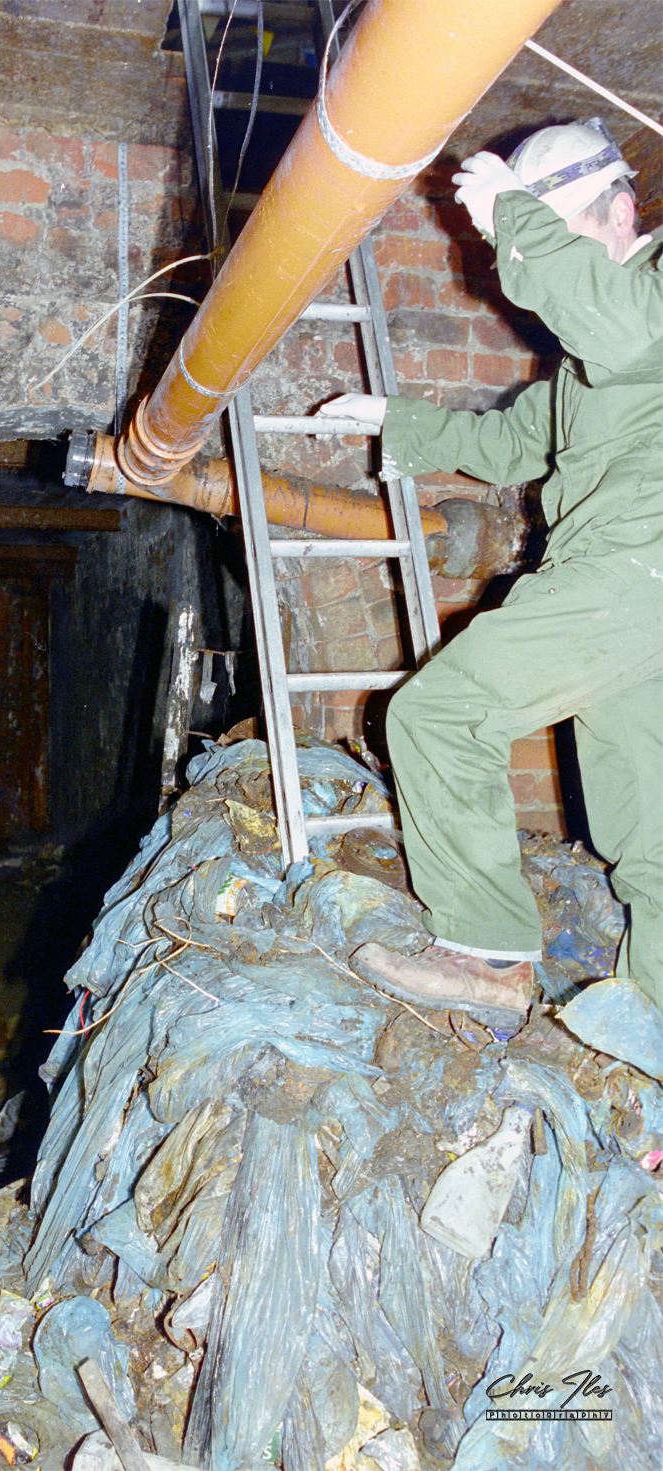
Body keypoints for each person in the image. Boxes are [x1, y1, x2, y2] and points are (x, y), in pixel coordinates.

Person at [320, 121, 663, 1051]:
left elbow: (621, 326)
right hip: (628, 588)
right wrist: (399, 418)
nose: (539, 265)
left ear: (623, 211)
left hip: (639, 567)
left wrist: (513, 213)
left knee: (437, 713)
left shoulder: (642, 306)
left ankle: (486, 953)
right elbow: (513, 443)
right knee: (649, 834)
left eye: (557, 229)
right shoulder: (594, 360)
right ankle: (650, 1051)